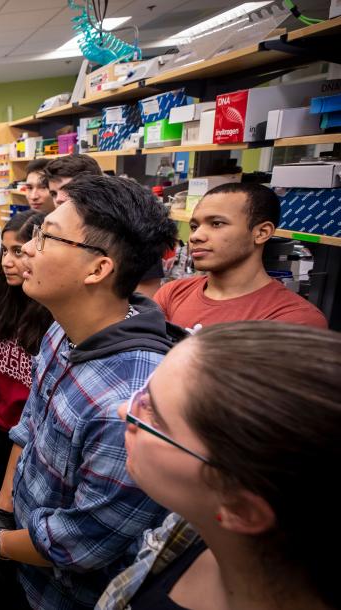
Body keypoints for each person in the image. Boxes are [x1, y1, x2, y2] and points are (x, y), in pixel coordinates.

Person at [0, 175, 182, 610]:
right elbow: (29, 424)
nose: (29, 248)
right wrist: (4, 508)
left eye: (46, 238)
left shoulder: (127, 407)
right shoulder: (60, 330)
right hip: (20, 549)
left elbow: (82, 545)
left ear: (98, 268)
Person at [97, 321, 341, 610]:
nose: (123, 410)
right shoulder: (193, 528)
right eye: (144, 394)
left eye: (155, 418)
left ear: (242, 510)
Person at [0, 210, 53, 606]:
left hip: (33, 446)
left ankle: (1, 588)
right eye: (4, 250)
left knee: (20, 521)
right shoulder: (8, 304)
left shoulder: (52, 318)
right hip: (1, 433)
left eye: (18, 251)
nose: (7, 261)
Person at [153, 182, 327, 330]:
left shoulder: (293, 319)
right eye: (194, 226)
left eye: (216, 224)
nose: (195, 236)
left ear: (261, 233)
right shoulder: (172, 294)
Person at [45, 154, 165, 298]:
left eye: (68, 189)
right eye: (53, 193)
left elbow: (144, 299)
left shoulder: (132, 233)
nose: (59, 199)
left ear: (96, 188)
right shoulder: (57, 232)